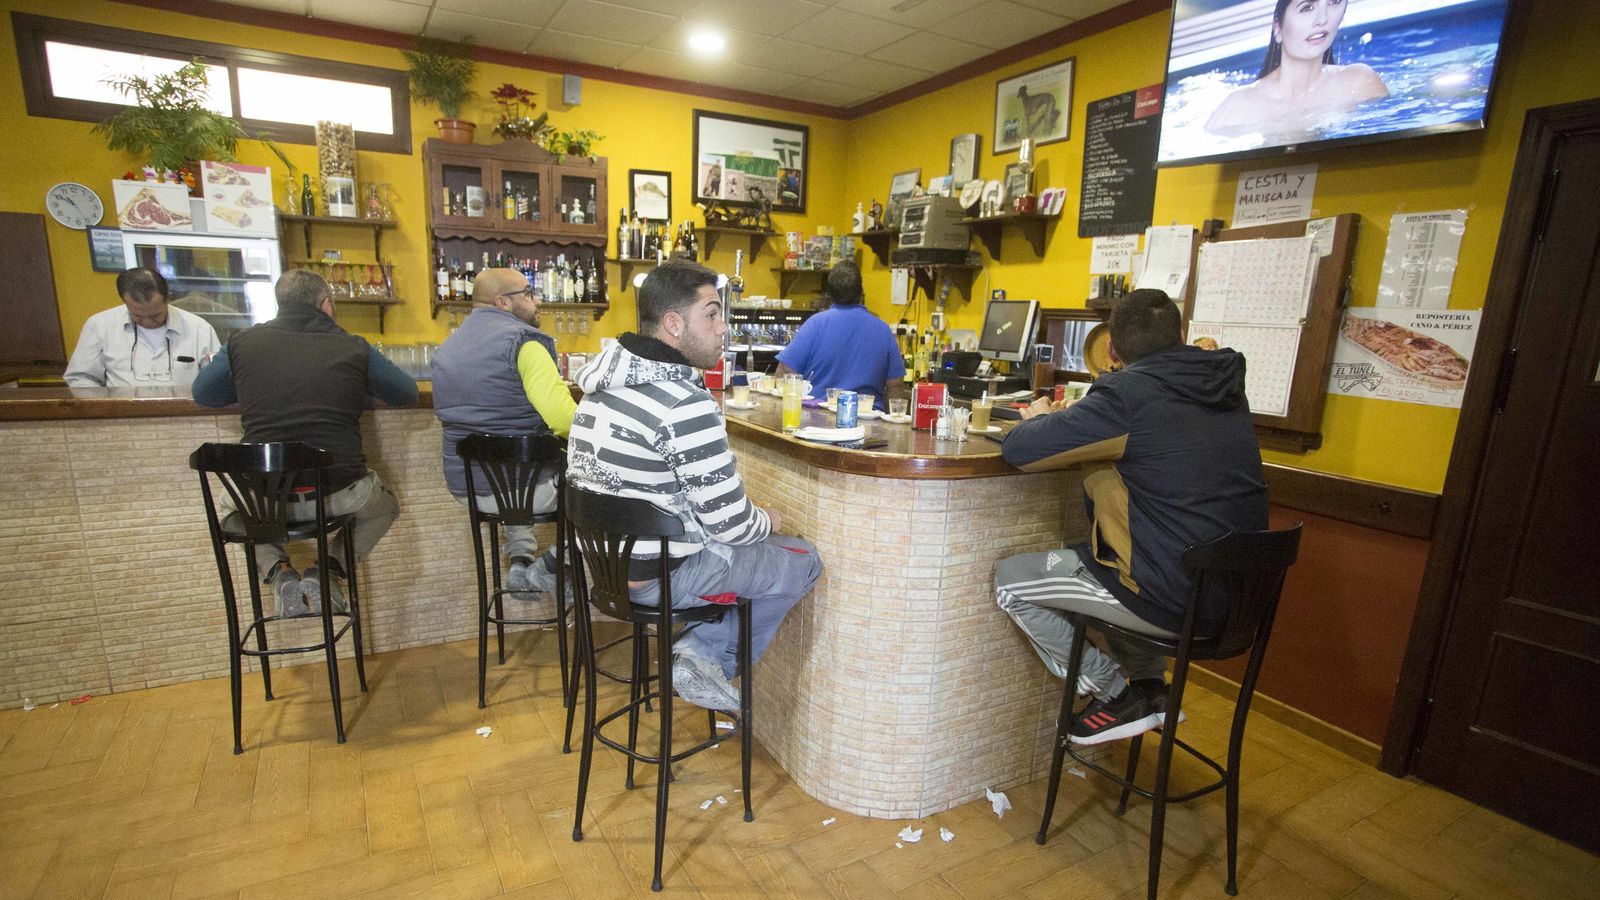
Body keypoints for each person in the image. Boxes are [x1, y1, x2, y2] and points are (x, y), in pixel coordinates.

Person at [993, 290, 1267, 745]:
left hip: (1171, 599)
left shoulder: (1127, 396)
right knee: (1107, 561)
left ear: (1112, 350)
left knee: (1012, 580)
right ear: (1181, 335)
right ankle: (1149, 686)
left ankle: (1116, 694)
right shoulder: (1224, 386)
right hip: (1238, 600)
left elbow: (1020, 449)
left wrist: (1038, 418)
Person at [568, 261, 823, 712]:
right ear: (673, 323)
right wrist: (768, 520)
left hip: (608, 571)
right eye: (711, 314)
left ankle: (698, 652)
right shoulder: (684, 403)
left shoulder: (598, 389)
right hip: (663, 579)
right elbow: (732, 526)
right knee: (803, 561)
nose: (723, 327)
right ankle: (701, 655)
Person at [192, 269, 418, 616]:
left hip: (264, 498)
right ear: (326, 304)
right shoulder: (353, 346)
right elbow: (406, 392)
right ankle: (327, 569)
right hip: (338, 494)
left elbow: (204, 394)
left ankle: (278, 570)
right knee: (385, 506)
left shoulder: (242, 342)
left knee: (230, 510)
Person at [430, 266, 575, 598]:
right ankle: (553, 566)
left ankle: (520, 561)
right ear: (502, 302)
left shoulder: (446, 349)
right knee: (606, 489)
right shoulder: (525, 343)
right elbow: (563, 420)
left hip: (468, 489)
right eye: (528, 294)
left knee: (514, 464)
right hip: (529, 489)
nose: (537, 301)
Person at [1206, 0, 1388, 137]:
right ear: (1278, 28)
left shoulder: (1359, 82)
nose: (1323, 19)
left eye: (1333, 1)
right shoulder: (1239, 108)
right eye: (1307, 7)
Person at [774, 261, 905, 411]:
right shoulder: (883, 330)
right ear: (861, 290)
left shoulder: (815, 324)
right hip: (867, 418)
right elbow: (895, 385)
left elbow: (785, 371)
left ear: (830, 293)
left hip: (818, 417)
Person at [64, 267, 220, 388]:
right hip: (122, 414)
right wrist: (106, 407)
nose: (147, 322)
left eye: (155, 315)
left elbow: (217, 378)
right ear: (124, 301)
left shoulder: (199, 329)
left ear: (167, 299)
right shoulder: (100, 326)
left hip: (185, 413)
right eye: (138, 315)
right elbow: (81, 377)